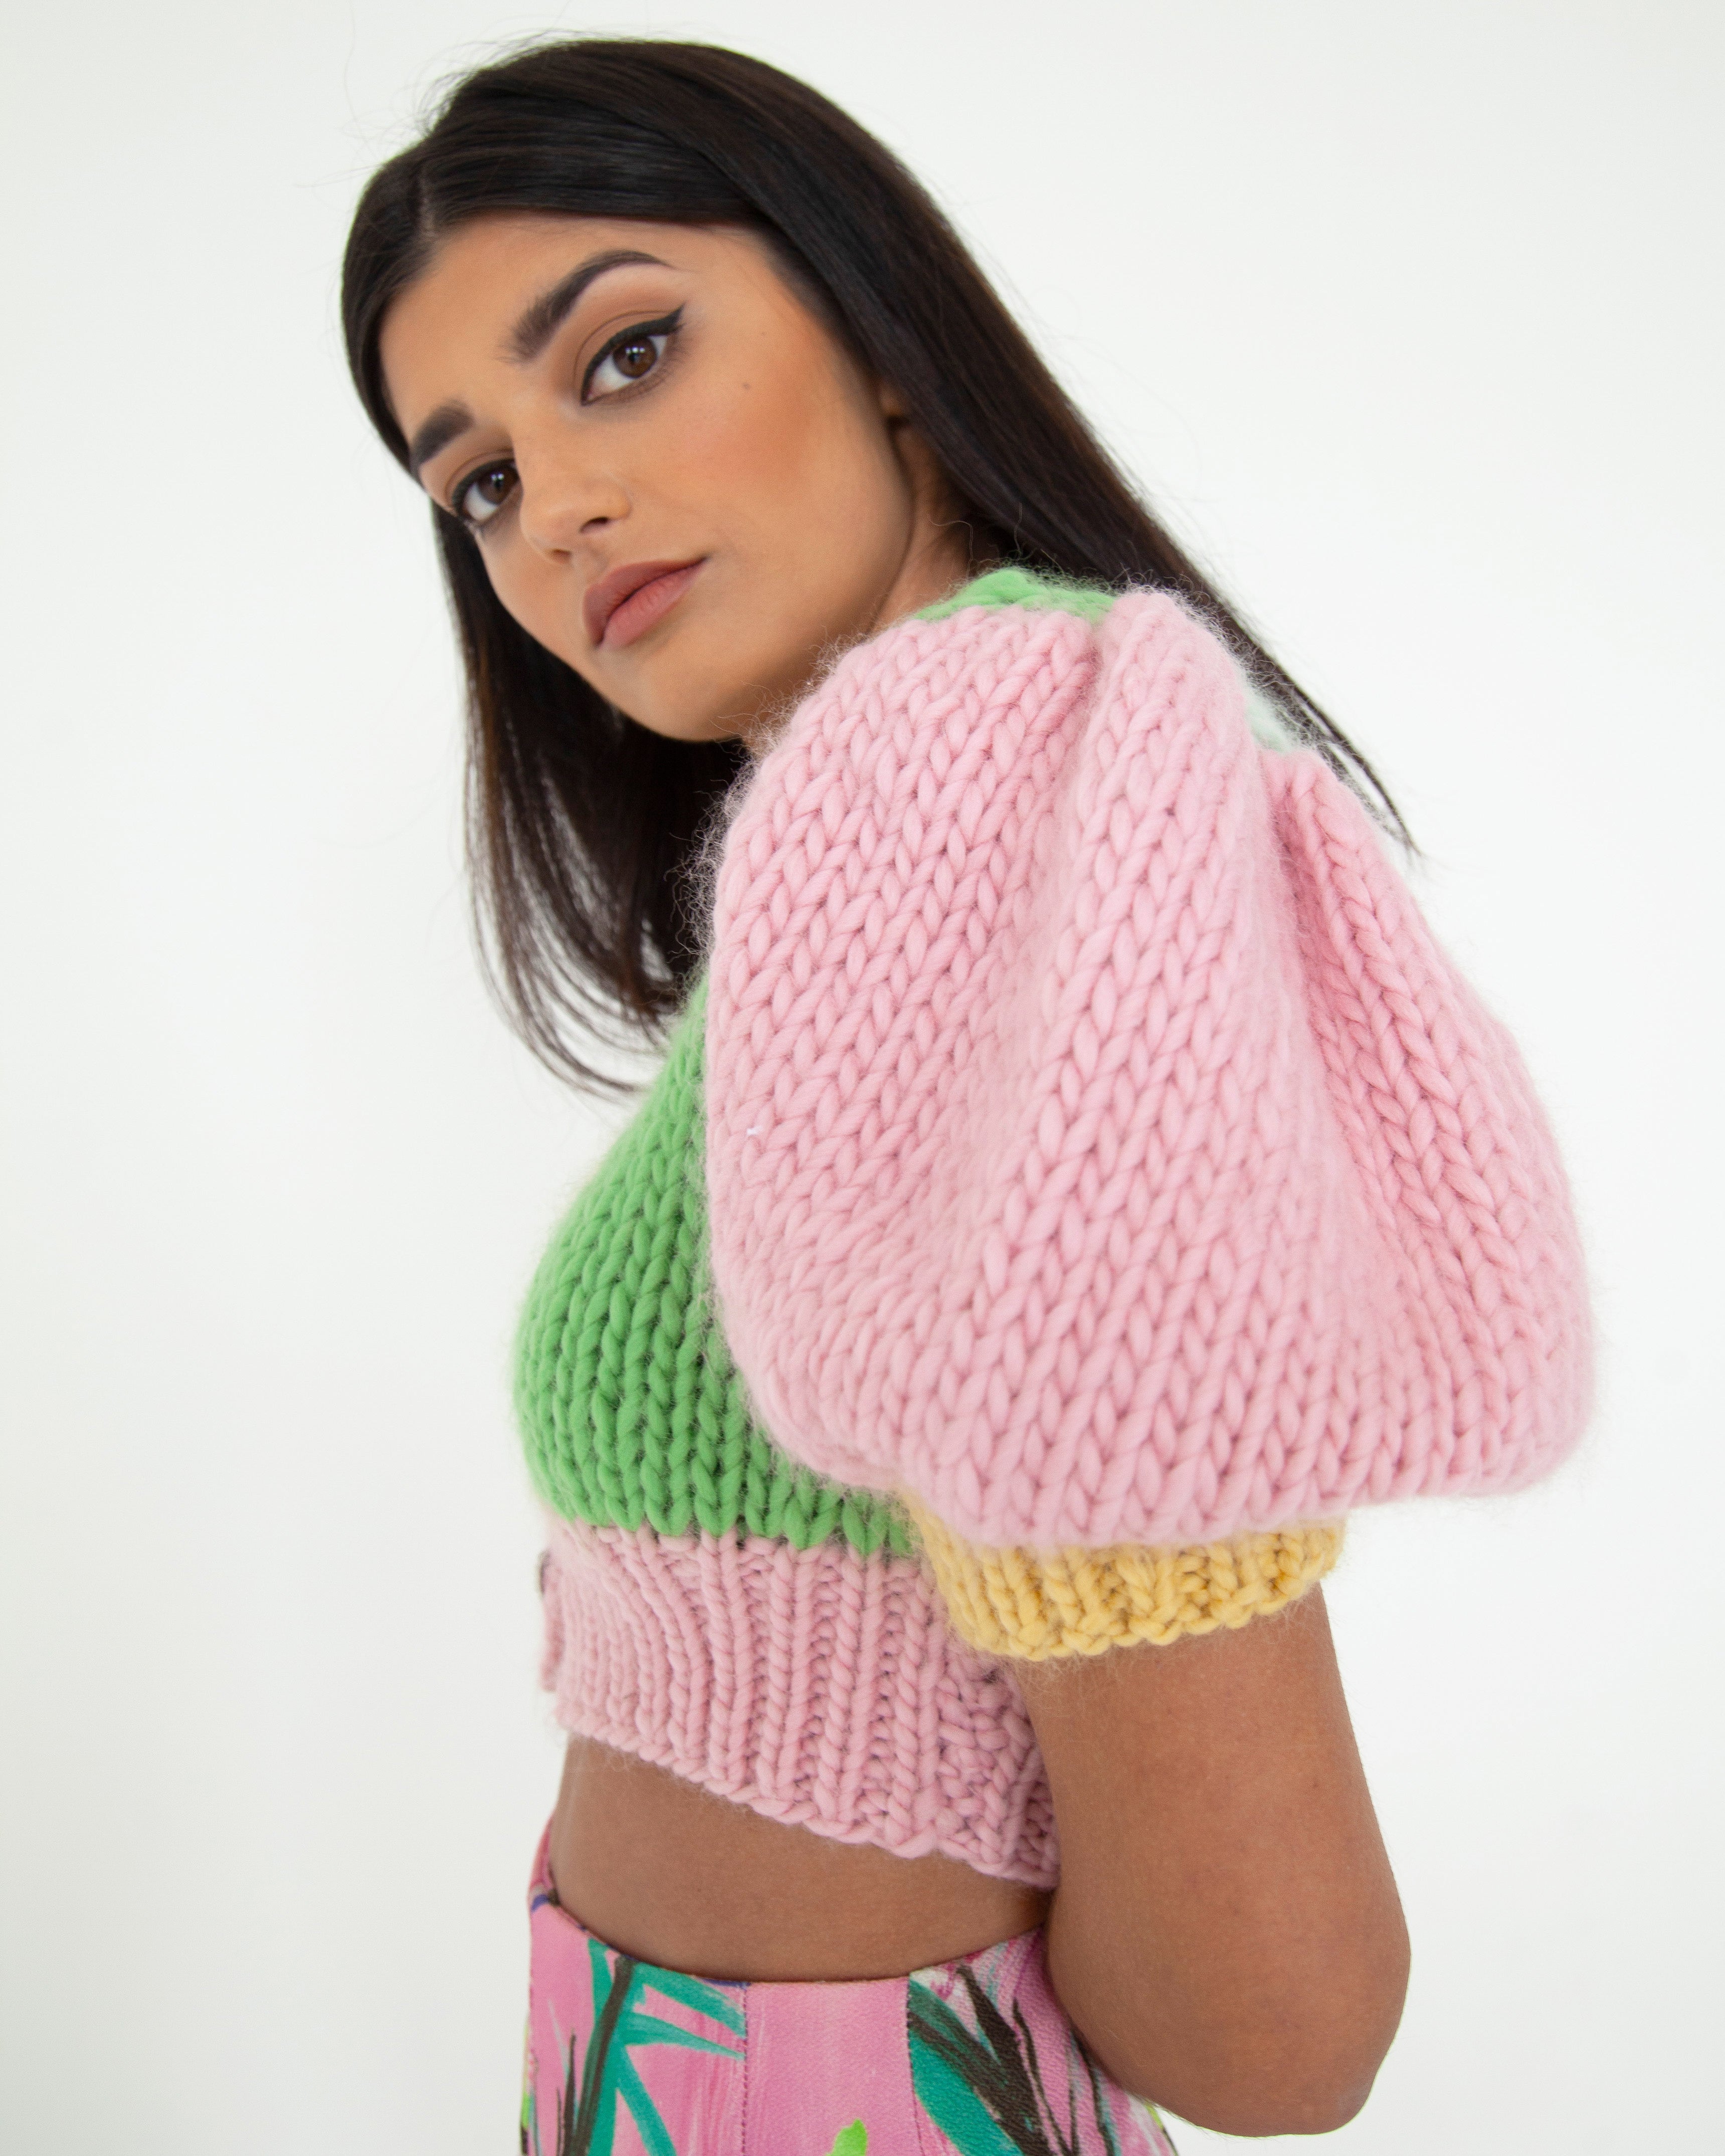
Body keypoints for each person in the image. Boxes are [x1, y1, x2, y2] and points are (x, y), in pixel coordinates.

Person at [342, 39, 1591, 2151]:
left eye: (627, 355)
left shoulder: (980, 763)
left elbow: (1280, 2023)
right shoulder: (902, 816)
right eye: (474, 481)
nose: (548, 507)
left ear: (889, 342)